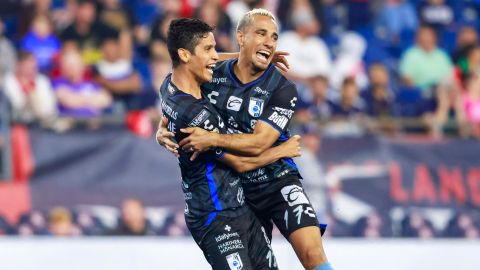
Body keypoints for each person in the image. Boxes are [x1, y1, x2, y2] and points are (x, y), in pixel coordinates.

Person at [158, 9, 332, 270]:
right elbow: (184, 95)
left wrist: (210, 137)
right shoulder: (211, 76)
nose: (269, 42)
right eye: (260, 33)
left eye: (274, 37)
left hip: (276, 180)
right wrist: (161, 130)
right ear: (241, 37)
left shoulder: (283, 88)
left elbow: (260, 142)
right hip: (241, 194)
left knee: (312, 253)